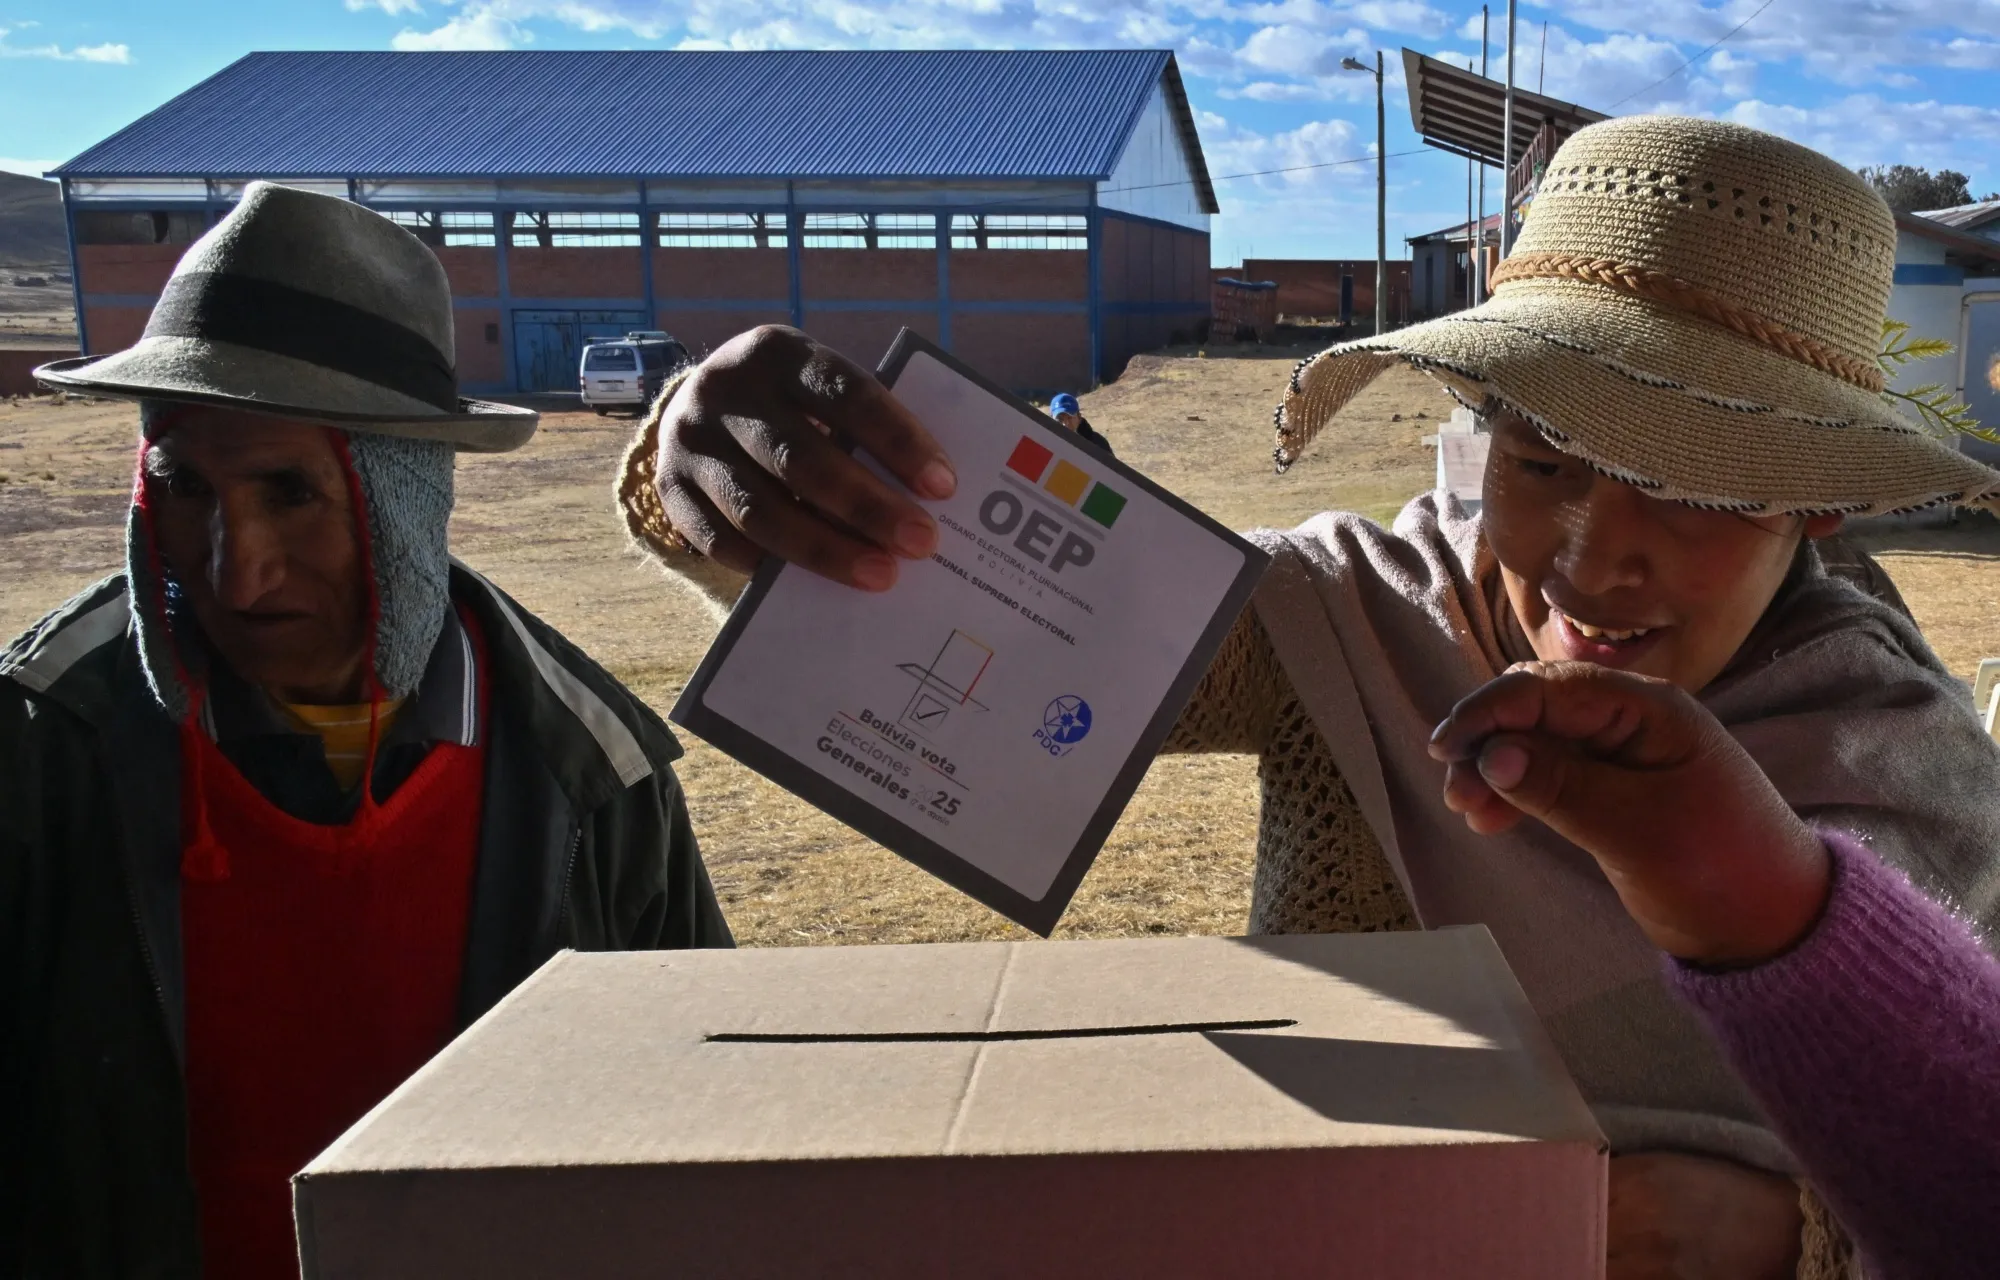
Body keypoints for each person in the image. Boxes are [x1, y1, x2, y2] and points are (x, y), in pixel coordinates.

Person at [619, 115, 2000, 1275]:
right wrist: (743, 475)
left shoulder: (1910, 778)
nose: (1589, 560)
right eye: (1547, 461)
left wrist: (1782, 1241)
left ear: (1817, 508)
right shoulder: (1348, 614)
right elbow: (1025, 620)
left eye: (1695, 488)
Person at [4, 183, 731, 1278]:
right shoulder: (41, 745)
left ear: (405, 502)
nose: (233, 570)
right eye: (187, 486)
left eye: (290, 492)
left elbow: (707, 1128)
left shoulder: (592, 770)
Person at [1431, 661, 2000, 1280]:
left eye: (1697, 551)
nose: (1596, 573)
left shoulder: (1923, 751)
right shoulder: (1335, 628)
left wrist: (1806, 1232)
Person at [1048, 391, 1114, 455]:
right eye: (1060, 419)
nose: (1065, 424)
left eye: (1069, 417)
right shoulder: (1047, 444)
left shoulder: (1097, 443)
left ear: (1079, 417)